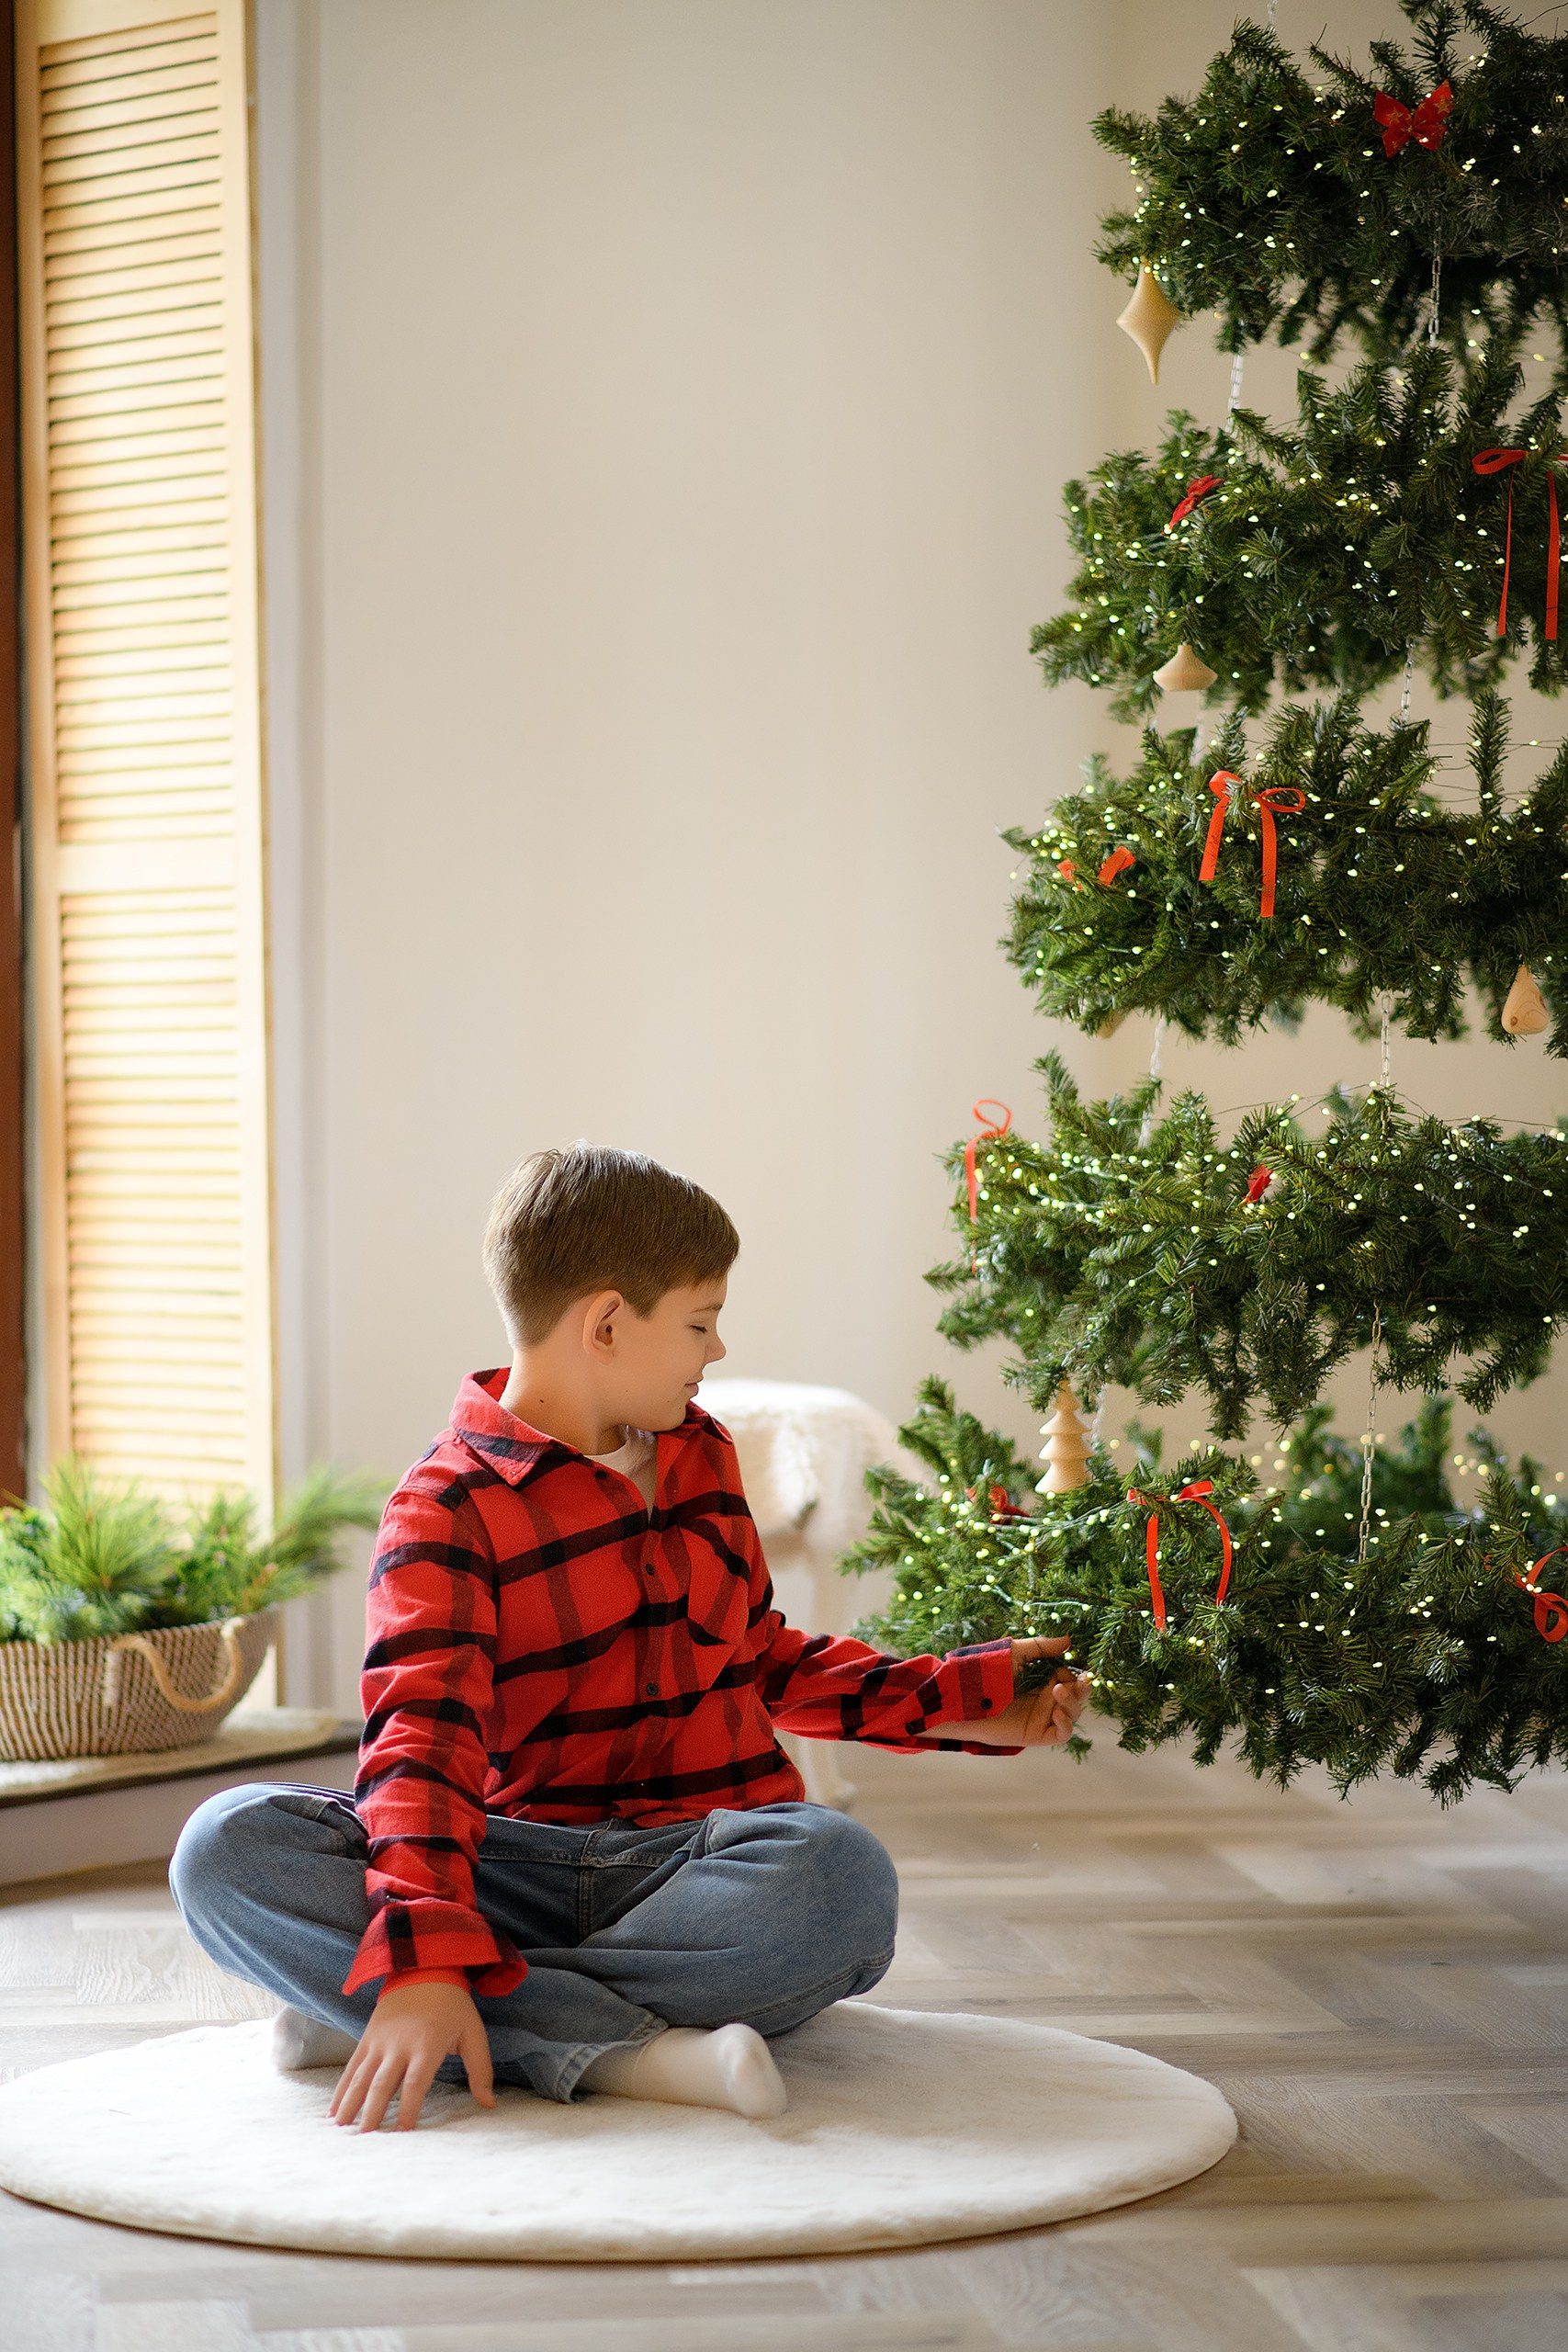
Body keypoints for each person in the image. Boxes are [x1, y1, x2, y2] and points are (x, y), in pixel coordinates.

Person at [172, 1144, 1089, 2132]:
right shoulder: (445, 1507)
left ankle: (395, 2010)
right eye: (701, 1322)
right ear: (607, 1323)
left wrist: (965, 1702)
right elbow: (420, 1744)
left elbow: (761, 1657)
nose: (716, 1352)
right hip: (507, 1864)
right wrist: (430, 1946)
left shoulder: (702, 1454)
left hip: (693, 1864)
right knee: (225, 1846)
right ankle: (625, 2051)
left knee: (839, 1877)